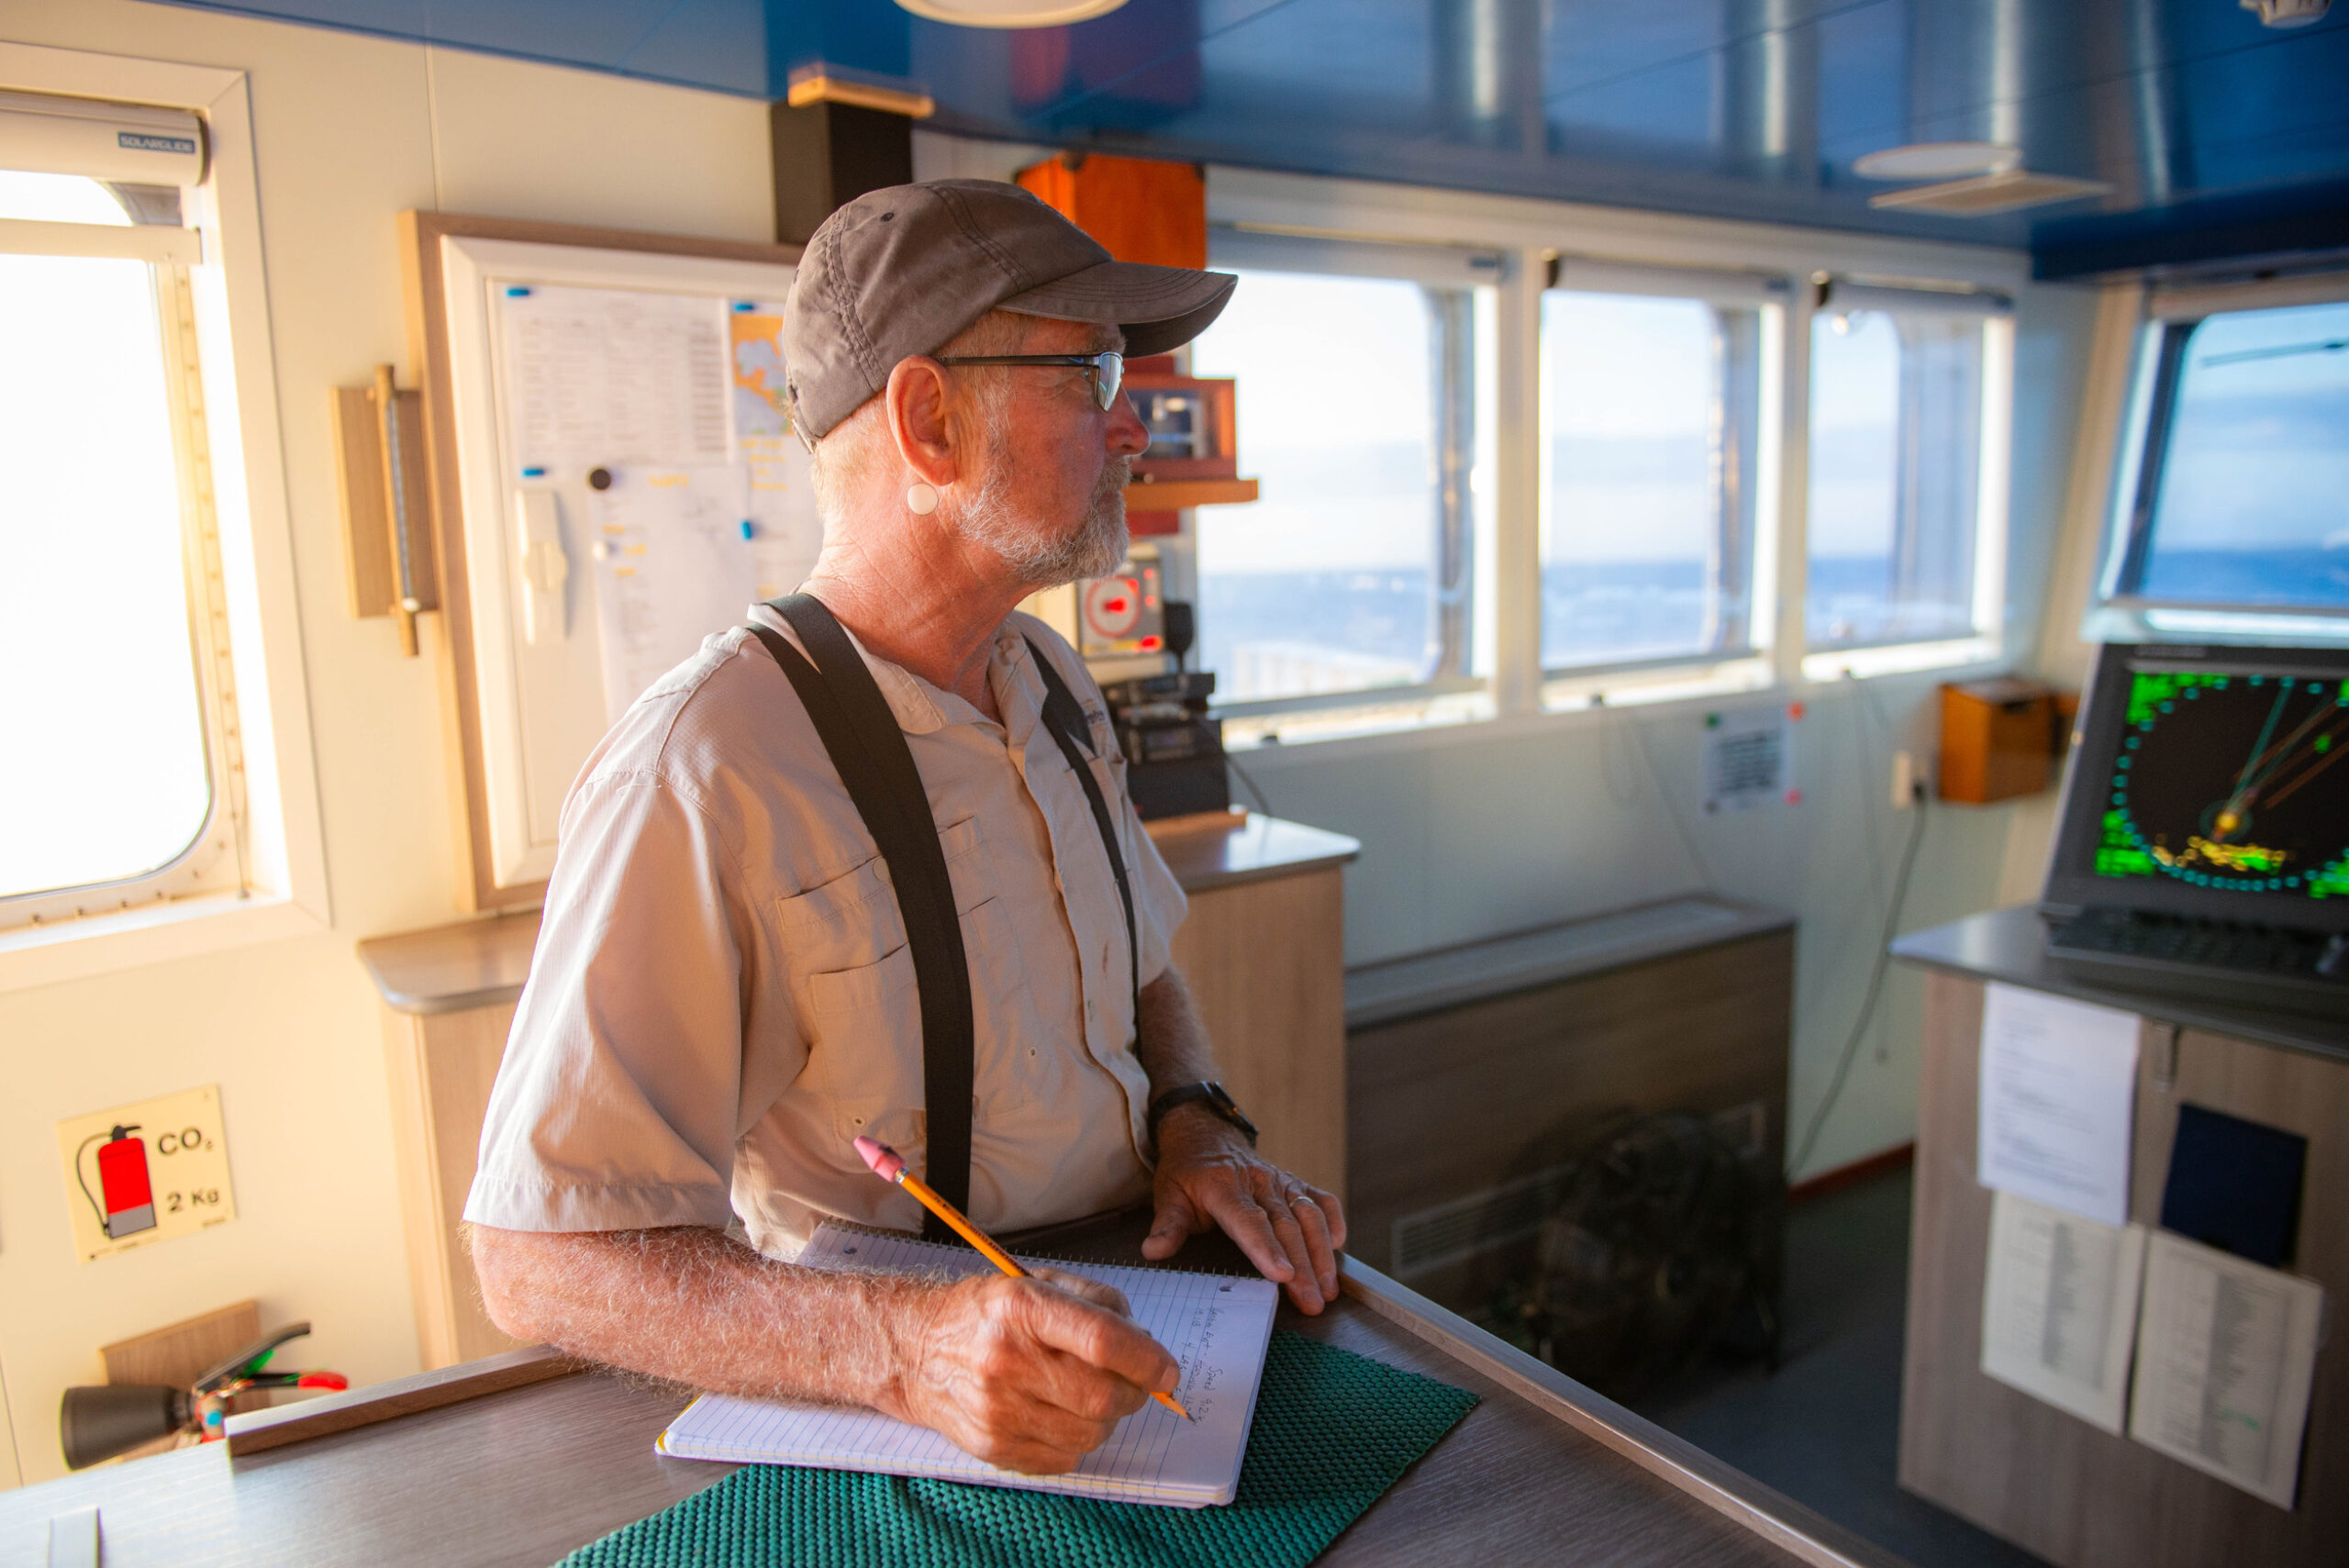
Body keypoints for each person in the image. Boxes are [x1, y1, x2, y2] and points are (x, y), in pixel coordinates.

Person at [464, 179, 1347, 1478]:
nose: (1130, 428)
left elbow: (1142, 965)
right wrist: (902, 1348)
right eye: (1089, 373)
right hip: (907, 1405)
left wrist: (1196, 1122)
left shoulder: (1051, 682)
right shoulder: (706, 766)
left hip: (1144, 1309)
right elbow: (539, 1260)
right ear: (930, 421)